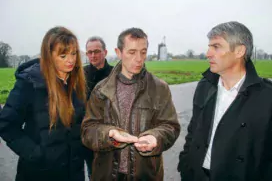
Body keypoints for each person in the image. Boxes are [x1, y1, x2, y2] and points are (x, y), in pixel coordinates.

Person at [178, 21, 272, 181]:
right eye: (209, 46)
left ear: (239, 51)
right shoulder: (205, 87)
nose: (208, 53)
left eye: (216, 47)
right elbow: (193, 132)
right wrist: (186, 166)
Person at [81, 27, 180, 180]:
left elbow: (171, 127)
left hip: (145, 175)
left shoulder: (159, 88)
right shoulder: (101, 89)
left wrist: (155, 137)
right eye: (132, 52)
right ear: (119, 52)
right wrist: (109, 134)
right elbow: (87, 131)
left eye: (143, 52)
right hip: (106, 174)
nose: (139, 58)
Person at [0, 26, 88, 181]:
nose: (71, 60)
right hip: (38, 173)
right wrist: (35, 154)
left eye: (74, 53)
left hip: (73, 173)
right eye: (63, 55)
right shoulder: (30, 83)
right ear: (49, 55)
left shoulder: (77, 83)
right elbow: (6, 125)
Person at [84, 36, 113, 177]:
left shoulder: (116, 74)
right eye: (89, 52)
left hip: (111, 136)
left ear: (105, 52)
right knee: (94, 174)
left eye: (97, 51)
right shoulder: (79, 75)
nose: (93, 55)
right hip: (89, 137)